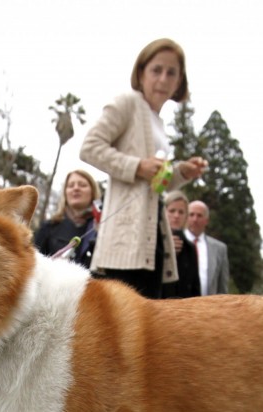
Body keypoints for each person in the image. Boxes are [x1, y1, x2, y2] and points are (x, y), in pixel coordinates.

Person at [80, 38, 207, 298]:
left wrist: (182, 172)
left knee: (147, 329)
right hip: (124, 242)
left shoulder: (159, 123)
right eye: (156, 70)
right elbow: (89, 147)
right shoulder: (128, 103)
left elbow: (156, 183)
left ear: (179, 80)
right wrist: (137, 166)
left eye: (171, 72)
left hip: (153, 242)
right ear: (141, 73)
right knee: (121, 327)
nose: (163, 79)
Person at [34, 169, 101, 268]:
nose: (76, 188)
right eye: (70, 185)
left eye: (82, 185)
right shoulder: (49, 226)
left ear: (93, 191)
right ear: (65, 193)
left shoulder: (102, 228)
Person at [186, 200, 230, 295]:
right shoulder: (175, 243)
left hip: (209, 306)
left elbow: (222, 287)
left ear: (207, 220)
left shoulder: (220, 249)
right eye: (191, 215)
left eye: (199, 215)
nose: (195, 219)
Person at [161, 190, 200, 298]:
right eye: (172, 211)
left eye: (181, 212)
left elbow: (195, 287)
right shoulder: (155, 245)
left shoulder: (190, 248)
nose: (176, 216)